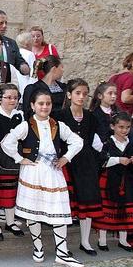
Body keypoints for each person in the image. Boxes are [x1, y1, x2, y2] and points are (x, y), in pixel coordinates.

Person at [1, 89, 85, 267]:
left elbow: (78, 141)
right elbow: (7, 142)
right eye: (40, 103)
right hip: (33, 171)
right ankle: (38, 246)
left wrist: (66, 158)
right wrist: (19, 159)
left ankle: (62, 253)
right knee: (34, 211)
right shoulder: (26, 125)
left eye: (48, 103)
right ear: (32, 106)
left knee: (60, 211)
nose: (44, 107)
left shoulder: (58, 125)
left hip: (53, 171)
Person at [53, 79, 103, 256]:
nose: (82, 97)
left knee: (88, 201)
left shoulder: (90, 117)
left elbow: (93, 141)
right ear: (69, 95)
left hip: (86, 163)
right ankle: (63, 244)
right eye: (78, 93)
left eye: (84, 93)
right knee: (66, 204)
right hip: (66, 162)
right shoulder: (59, 116)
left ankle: (85, 241)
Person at [92, 112, 133, 253]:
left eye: (127, 127)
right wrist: (119, 160)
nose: (124, 130)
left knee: (125, 209)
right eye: (121, 127)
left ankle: (123, 240)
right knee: (106, 209)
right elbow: (102, 162)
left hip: (127, 181)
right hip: (109, 180)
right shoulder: (107, 143)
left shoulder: (131, 144)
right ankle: (102, 240)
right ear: (112, 126)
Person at [0, 84, 25, 241]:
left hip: (15, 158)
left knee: (12, 191)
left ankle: (10, 222)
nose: (12, 100)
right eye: (8, 97)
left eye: (15, 98)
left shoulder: (20, 116)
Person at [15, 32, 38, 98]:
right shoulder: (29, 54)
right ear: (27, 43)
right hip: (26, 85)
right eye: (31, 40)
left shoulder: (16, 53)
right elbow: (34, 72)